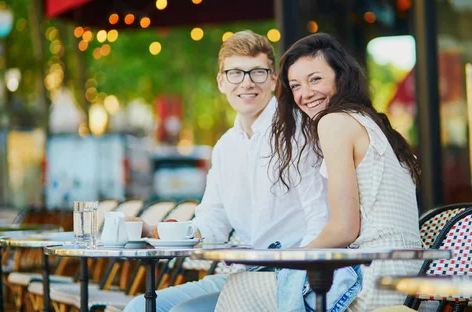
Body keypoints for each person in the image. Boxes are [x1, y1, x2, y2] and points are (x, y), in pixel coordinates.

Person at [123, 30, 330, 312]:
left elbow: (321, 219)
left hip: (289, 279)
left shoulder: (297, 131)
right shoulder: (224, 147)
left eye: (257, 72)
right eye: (235, 73)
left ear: (272, 79)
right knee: (139, 307)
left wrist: (298, 282)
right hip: (244, 275)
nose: (246, 83)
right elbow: (212, 224)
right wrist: (156, 230)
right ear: (221, 81)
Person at [271, 33, 422, 311]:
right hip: (406, 276)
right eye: (295, 85)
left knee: (240, 286)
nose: (304, 94)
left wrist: (293, 257)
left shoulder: (334, 123)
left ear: (340, 77)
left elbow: (344, 228)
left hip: (372, 279)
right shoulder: (373, 123)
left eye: (315, 79)